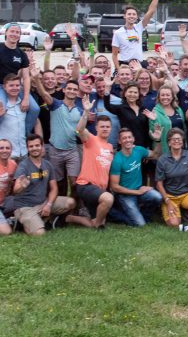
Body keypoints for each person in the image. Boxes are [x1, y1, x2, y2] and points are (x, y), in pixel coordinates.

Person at [5, 134, 80, 236]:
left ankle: (41, 219)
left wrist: (48, 205)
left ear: (42, 146)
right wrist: (21, 186)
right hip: (25, 207)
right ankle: (22, 222)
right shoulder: (23, 166)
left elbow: (54, 188)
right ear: (27, 148)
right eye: (31, 146)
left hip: (43, 203)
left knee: (71, 202)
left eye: (37, 145)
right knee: (40, 234)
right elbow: (16, 189)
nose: (34, 148)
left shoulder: (47, 165)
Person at [74, 99, 123, 228]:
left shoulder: (110, 147)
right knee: (108, 199)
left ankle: (70, 218)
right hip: (86, 185)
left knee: (100, 219)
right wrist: (86, 111)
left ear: (111, 128)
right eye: (102, 126)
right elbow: (79, 130)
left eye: (107, 126)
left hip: (99, 189)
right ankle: (97, 224)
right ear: (96, 128)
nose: (105, 129)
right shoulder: (91, 139)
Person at [109, 127, 164, 227]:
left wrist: (158, 140)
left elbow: (156, 155)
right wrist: (137, 192)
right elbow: (114, 187)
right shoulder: (117, 160)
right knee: (140, 225)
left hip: (139, 189)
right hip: (124, 195)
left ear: (133, 139)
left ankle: (144, 215)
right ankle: (112, 213)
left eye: (129, 137)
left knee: (158, 197)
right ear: (119, 141)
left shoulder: (138, 150)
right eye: (124, 138)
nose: (127, 140)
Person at [112, 0, 163, 71]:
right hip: (125, 65)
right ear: (124, 16)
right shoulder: (118, 33)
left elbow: (151, 11)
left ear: (137, 17)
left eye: (134, 14)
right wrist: (118, 69)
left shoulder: (139, 27)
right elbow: (114, 54)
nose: (131, 16)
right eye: (129, 14)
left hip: (139, 64)